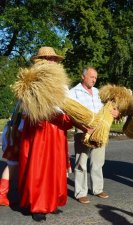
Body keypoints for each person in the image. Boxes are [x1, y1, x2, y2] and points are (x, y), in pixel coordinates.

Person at [18, 46, 74, 222]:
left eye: (54, 59)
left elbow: (67, 102)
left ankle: (52, 201)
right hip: (39, 127)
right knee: (39, 166)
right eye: (48, 58)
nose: (52, 61)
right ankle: (38, 205)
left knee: (56, 165)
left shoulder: (62, 81)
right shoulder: (32, 79)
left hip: (56, 127)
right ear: (40, 60)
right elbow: (26, 105)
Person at [69, 67, 119, 204]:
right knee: (81, 162)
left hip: (100, 131)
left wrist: (115, 112)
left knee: (97, 162)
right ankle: (80, 192)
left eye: (95, 77)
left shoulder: (98, 92)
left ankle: (97, 189)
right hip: (83, 131)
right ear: (83, 77)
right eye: (91, 77)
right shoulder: (73, 92)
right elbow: (70, 114)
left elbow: (108, 108)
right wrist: (83, 127)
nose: (94, 79)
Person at [0, 101, 23, 206]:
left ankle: (2, 195)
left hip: (13, 132)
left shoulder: (20, 99)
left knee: (11, 165)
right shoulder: (29, 99)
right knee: (19, 165)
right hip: (20, 135)